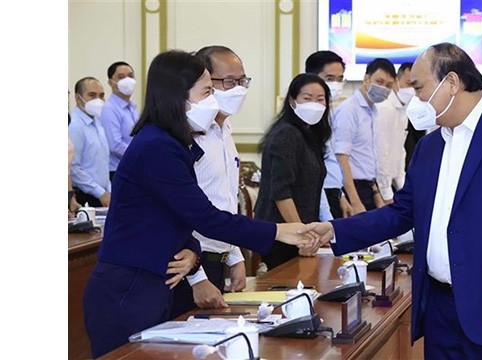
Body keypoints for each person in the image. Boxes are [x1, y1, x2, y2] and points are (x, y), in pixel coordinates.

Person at [300, 42, 482, 359]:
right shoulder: (429, 146)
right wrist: (334, 230)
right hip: (439, 311)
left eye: (419, 87)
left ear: (451, 83)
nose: (416, 98)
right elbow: (400, 212)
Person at [83, 50, 313, 359]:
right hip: (129, 287)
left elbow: (175, 212)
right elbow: (204, 215)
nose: (213, 101)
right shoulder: (157, 147)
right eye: (207, 92)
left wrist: (191, 248)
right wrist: (278, 232)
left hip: (151, 281)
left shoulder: (172, 142)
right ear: (178, 97)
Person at [170, 45, 253, 318]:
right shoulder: (184, 135)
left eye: (242, 81)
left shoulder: (225, 129)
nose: (238, 89)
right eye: (229, 82)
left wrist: (235, 255)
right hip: (187, 265)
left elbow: (225, 199)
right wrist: (197, 278)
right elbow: (179, 213)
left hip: (217, 260)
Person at [254, 73, 332, 270]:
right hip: (283, 236)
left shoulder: (309, 135)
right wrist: (302, 236)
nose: (314, 104)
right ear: (292, 101)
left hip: (300, 232)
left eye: (320, 99)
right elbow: (281, 193)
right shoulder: (287, 134)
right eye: (307, 98)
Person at [332, 58, 396, 213]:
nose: (383, 88)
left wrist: (377, 195)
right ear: (366, 79)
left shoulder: (372, 111)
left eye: (388, 85)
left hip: (368, 187)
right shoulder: (349, 110)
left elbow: (366, 159)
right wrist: (355, 202)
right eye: (379, 82)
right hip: (351, 188)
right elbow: (341, 158)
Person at [305, 50, 353, 219]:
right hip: (316, 197)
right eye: (330, 79)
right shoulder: (308, 117)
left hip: (332, 193)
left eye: (340, 79)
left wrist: (340, 194)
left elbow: (330, 157)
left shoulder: (328, 112)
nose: (336, 84)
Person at [374, 62, 413, 204]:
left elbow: (399, 150)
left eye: (416, 85)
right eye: (408, 83)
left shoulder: (403, 109)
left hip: (393, 182)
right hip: (378, 184)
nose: (412, 89)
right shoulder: (385, 108)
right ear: (397, 81)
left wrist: (403, 185)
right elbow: (381, 151)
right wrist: (386, 193)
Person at [69, 77, 111, 207]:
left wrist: (108, 190)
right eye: (92, 95)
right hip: (85, 195)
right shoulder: (75, 126)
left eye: (101, 95)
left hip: (103, 194)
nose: (98, 100)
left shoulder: (97, 122)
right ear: (77, 98)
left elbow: (102, 162)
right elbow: (73, 168)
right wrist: (100, 193)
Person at [100, 61, 140, 180]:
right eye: (121, 77)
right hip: (117, 171)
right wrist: (140, 155)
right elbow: (115, 145)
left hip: (133, 168)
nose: (127, 80)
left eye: (130, 76)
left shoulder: (132, 108)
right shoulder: (109, 109)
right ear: (111, 82)